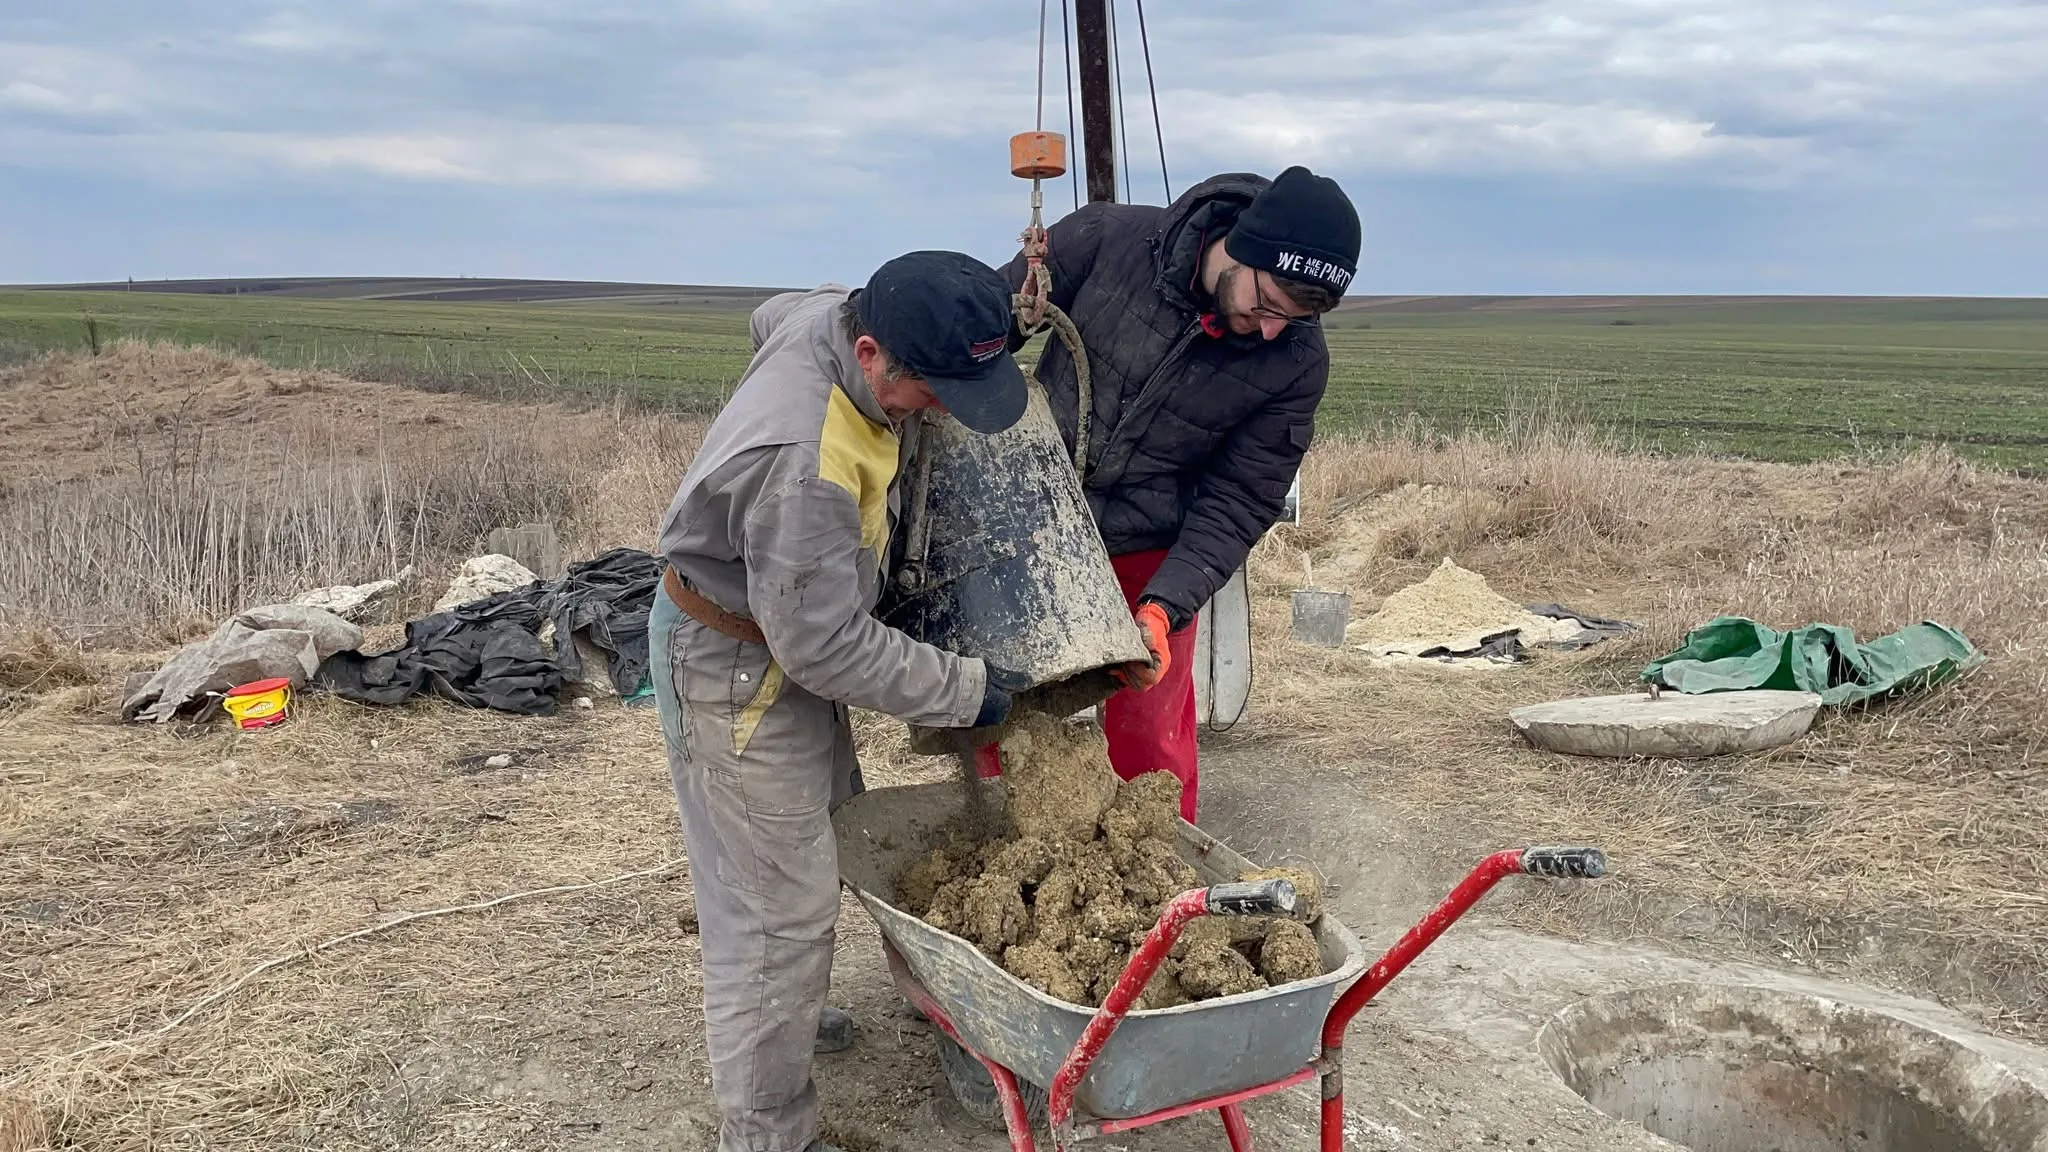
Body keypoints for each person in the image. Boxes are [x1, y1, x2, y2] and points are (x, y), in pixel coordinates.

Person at [649, 250, 1033, 1152]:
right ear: (869, 354)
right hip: (738, 666)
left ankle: (780, 1020)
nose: (943, 412)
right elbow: (822, 647)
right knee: (774, 915)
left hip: (781, 633)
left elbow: (769, 315)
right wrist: (967, 690)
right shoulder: (802, 466)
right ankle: (769, 1128)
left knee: (825, 836)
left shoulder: (825, 312)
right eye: (933, 392)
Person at [985, 166, 1362, 822]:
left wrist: (1165, 608)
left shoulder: (1296, 362)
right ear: (1241, 247)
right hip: (1037, 522)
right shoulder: (1106, 240)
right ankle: (995, 848)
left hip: (1152, 547)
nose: (1271, 330)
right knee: (1001, 714)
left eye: (1294, 319)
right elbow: (986, 325)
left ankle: (1161, 867)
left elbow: (1241, 499)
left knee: (1151, 737)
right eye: (1268, 304)